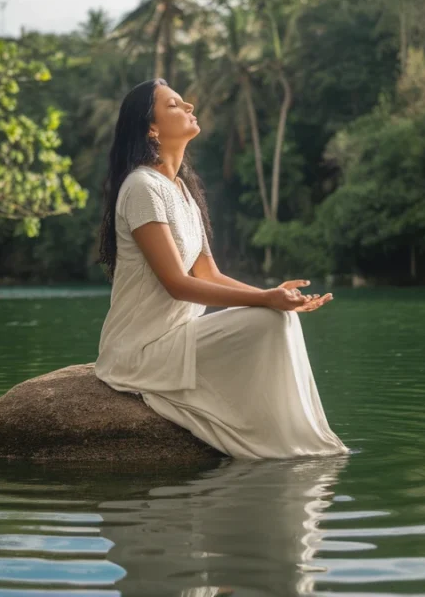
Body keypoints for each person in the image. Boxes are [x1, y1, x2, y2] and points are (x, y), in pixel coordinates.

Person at [95, 78, 348, 460]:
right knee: (268, 319)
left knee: (278, 318)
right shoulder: (141, 187)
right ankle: (288, 446)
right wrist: (265, 298)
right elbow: (178, 284)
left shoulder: (182, 193)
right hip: (140, 350)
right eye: (175, 105)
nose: (189, 108)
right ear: (151, 127)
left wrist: (276, 298)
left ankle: (299, 439)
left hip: (179, 336)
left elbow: (208, 275)